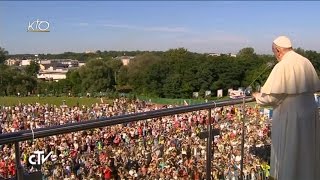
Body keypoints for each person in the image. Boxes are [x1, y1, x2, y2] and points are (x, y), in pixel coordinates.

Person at [252, 36, 320, 180]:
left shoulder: (283, 65)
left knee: (289, 153)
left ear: (278, 50)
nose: (275, 56)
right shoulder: (305, 61)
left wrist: (258, 96)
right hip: (309, 112)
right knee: (307, 154)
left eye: (274, 52)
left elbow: (273, 97)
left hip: (291, 115)